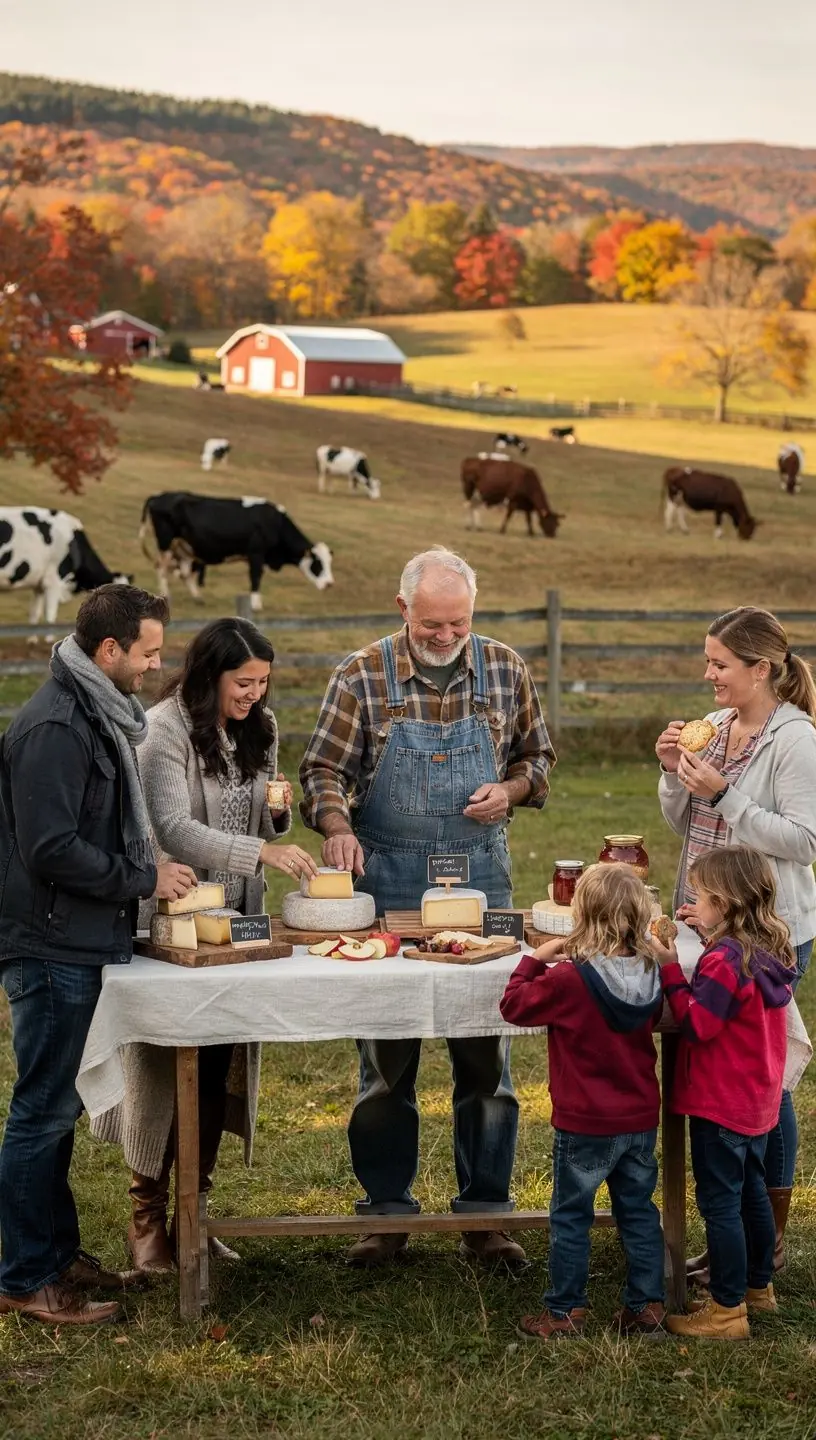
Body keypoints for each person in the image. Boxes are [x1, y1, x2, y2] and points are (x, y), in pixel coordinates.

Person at [300, 547, 555, 1268]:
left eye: (458, 624)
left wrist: (512, 791)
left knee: (487, 1060)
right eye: (431, 624)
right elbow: (321, 770)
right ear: (402, 608)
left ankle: (487, 1215)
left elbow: (538, 760)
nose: (446, 636)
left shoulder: (504, 668)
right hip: (388, 883)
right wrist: (338, 826)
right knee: (386, 1059)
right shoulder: (360, 675)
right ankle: (386, 1214)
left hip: (482, 884)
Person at [93, 617, 318, 1273]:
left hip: (237, 925)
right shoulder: (162, 728)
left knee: (218, 1063)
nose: (254, 694)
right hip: (171, 922)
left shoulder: (260, 727)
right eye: (243, 682)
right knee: (161, 1065)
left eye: (262, 683)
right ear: (209, 674)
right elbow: (170, 827)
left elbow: (265, 818)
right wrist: (260, 851)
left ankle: (194, 1216)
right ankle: (146, 1218)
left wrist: (277, 813)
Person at [0, 585, 197, 1326]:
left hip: (75, 940)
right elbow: (50, 849)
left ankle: (56, 1256)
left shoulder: (94, 711)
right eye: (148, 652)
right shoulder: (57, 726)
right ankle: (26, 1277)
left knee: (54, 1110)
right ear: (108, 650)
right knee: (40, 1114)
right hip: (49, 944)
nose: (155, 666)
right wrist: (144, 878)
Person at [655, 605, 816, 1282]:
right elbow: (684, 820)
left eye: (720, 663)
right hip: (704, 922)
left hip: (766, 932)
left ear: (761, 668)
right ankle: (743, 1239)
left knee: (762, 1079)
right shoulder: (715, 727)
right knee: (723, 1066)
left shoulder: (795, 740)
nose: (709, 674)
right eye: (707, 660)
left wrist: (726, 796)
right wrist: (673, 773)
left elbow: (804, 841)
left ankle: (763, 1244)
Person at [500, 864, 665, 1339]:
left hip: (585, 1122)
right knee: (639, 1211)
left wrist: (536, 960)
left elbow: (514, 1005)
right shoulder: (653, 973)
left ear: (582, 916)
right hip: (638, 1119)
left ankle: (565, 1311)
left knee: (572, 1214)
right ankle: (648, 1306)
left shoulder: (568, 979)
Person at [652, 846, 794, 1340]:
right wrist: (708, 938)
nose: (694, 902)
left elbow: (698, 1024)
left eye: (701, 896)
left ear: (726, 902)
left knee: (720, 1204)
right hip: (755, 1100)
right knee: (752, 1192)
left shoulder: (723, 962)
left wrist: (671, 967)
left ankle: (726, 1311)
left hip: (720, 1102)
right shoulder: (764, 948)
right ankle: (758, 1287)